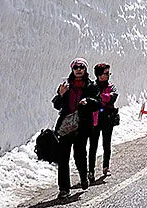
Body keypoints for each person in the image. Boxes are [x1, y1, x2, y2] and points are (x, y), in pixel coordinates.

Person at [52, 58, 99, 198]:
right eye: (76, 67)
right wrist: (60, 94)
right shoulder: (65, 85)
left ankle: (83, 177)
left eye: (81, 67)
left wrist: (88, 101)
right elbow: (57, 105)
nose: (78, 70)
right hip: (66, 127)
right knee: (63, 158)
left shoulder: (91, 86)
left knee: (79, 155)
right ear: (72, 69)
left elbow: (98, 103)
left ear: (85, 69)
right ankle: (64, 189)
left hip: (82, 127)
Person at [87, 63, 119, 180]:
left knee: (107, 144)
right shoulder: (92, 86)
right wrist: (102, 98)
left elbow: (112, 98)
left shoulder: (111, 86)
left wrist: (100, 97)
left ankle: (106, 166)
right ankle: (90, 171)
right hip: (95, 119)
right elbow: (91, 100)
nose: (108, 75)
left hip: (107, 119)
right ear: (99, 75)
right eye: (106, 73)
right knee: (93, 146)